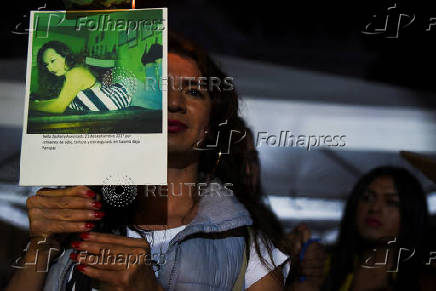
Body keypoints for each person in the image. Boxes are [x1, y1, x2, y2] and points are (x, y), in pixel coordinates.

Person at [7, 32, 290, 291]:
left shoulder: (248, 250)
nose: (174, 103)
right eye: (160, 88)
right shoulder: (71, 227)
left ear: (210, 128)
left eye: (194, 92)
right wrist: (39, 248)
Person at [321, 166, 435, 291]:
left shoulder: (426, 282)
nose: (374, 208)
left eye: (391, 202)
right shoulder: (322, 268)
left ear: (411, 214)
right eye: (367, 198)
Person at [30, 41, 131, 113]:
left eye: (52, 61)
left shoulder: (75, 72)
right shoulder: (70, 74)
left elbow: (58, 107)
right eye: (46, 64)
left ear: (65, 55)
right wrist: (39, 103)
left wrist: (30, 105)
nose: (50, 67)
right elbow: (60, 100)